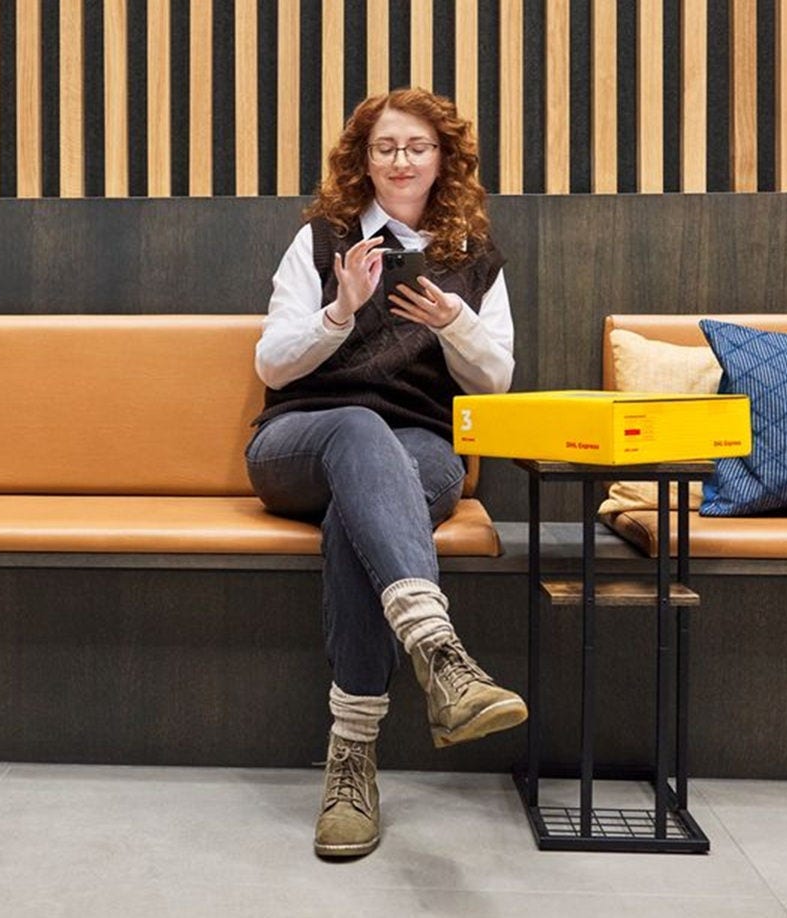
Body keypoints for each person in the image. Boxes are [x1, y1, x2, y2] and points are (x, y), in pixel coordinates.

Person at [246, 88, 526, 859]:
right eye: (385, 148)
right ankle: (440, 651)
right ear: (363, 161)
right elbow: (271, 364)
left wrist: (455, 323)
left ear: (443, 160)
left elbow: (495, 382)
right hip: (301, 441)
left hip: (419, 448)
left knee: (358, 515)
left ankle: (352, 760)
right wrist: (339, 311)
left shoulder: (473, 258)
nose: (401, 161)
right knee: (358, 428)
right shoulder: (321, 242)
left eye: (417, 147)